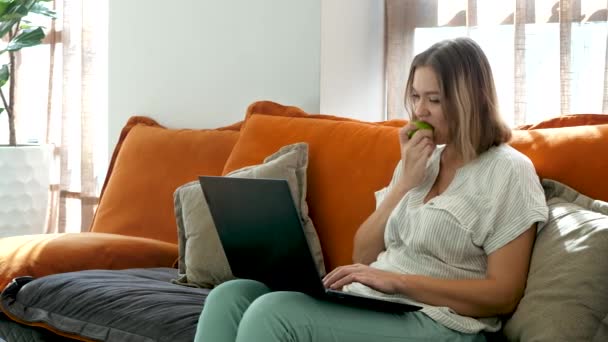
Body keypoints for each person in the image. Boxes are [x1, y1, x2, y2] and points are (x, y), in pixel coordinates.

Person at [194, 37, 549, 342]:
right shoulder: (420, 160)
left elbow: (503, 293)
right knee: (231, 295)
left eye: (435, 100)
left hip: (443, 323)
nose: (419, 111)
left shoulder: (509, 171)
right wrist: (404, 184)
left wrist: (398, 282)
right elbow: (363, 254)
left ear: (469, 100)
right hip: (378, 304)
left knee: (274, 313)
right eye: (414, 96)